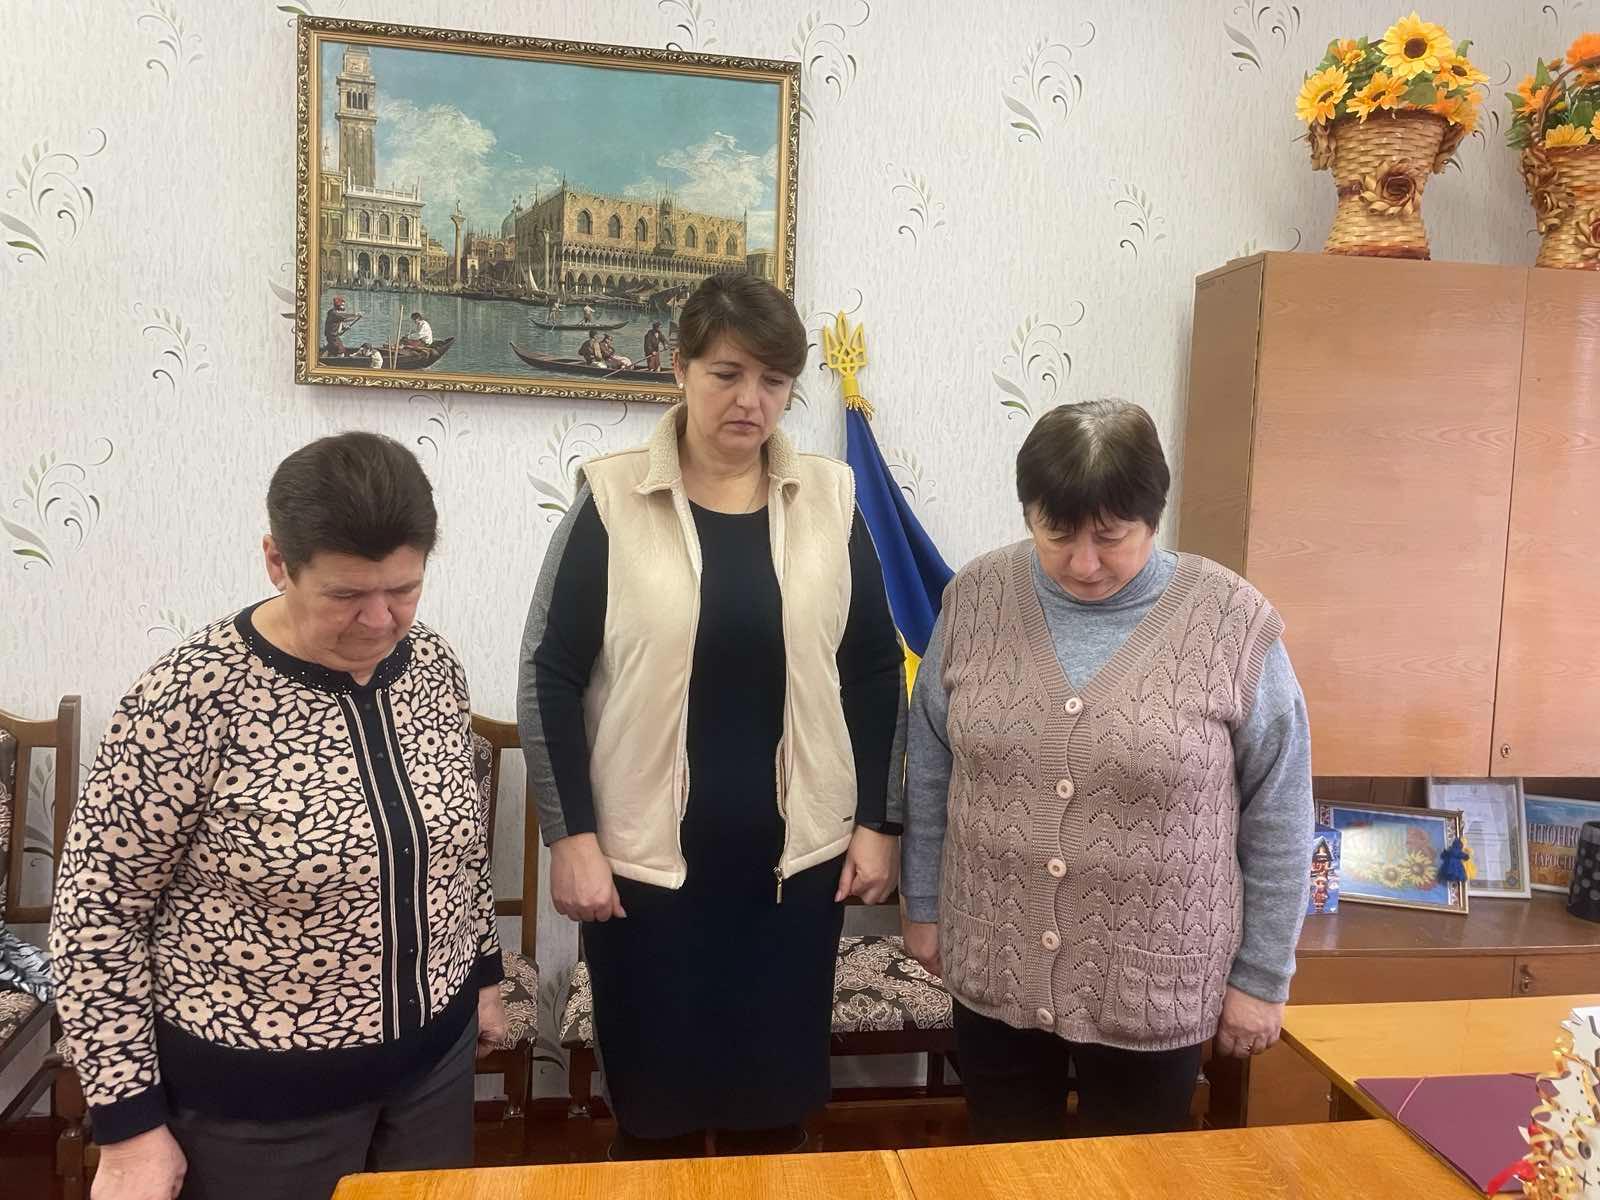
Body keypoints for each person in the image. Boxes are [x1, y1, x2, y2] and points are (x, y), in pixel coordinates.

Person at [50, 433, 507, 1200]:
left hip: (433, 1075)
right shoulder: (188, 697)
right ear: (276, 561)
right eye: (344, 594)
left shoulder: (432, 665)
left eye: (403, 588)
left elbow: (453, 847)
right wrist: (128, 1129)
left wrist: (482, 976)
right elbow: (96, 916)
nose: (379, 620)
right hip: (256, 1110)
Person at [519, 272, 905, 1161]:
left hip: (794, 871)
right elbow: (549, 674)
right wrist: (570, 838)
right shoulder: (611, 500)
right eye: (727, 374)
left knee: (773, 1115)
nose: (750, 400)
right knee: (654, 1118)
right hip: (645, 873)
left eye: (774, 381)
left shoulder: (832, 502)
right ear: (680, 370)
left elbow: (875, 670)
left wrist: (879, 825)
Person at [900, 399, 1314, 1143]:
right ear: (1029, 513)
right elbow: (930, 766)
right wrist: (923, 905)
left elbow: (1279, 811)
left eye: (1111, 537)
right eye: (1056, 534)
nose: (1083, 563)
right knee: (1003, 1170)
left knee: (1131, 1178)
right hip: (993, 957)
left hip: (1153, 981)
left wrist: (1262, 976)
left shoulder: (1232, 623)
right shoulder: (974, 600)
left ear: (1152, 518)